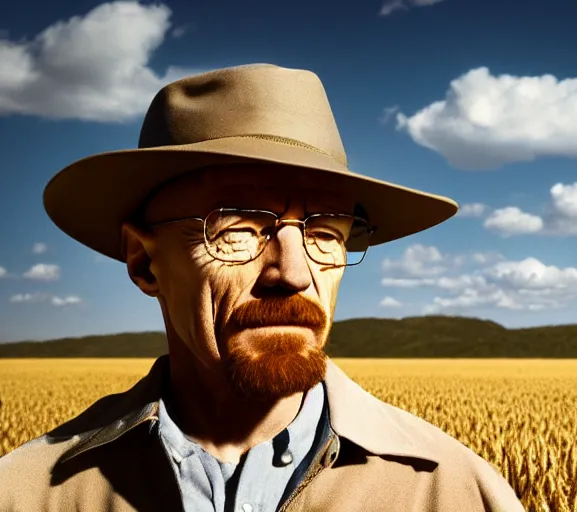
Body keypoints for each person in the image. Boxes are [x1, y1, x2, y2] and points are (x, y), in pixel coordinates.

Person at [0, 64, 525, 512]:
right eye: (238, 228)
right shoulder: (25, 495)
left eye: (324, 233)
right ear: (143, 261)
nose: (294, 273)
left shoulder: (454, 493)